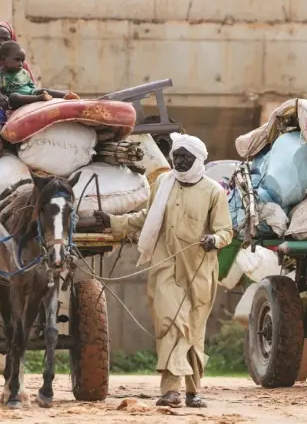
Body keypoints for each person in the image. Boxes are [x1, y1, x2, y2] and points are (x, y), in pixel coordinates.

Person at [93, 133, 232, 408]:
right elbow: (146, 217)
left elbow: (225, 230)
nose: (178, 162)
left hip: (199, 270)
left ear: (198, 159)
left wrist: (214, 240)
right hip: (165, 266)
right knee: (171, 324)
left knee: (193, 331)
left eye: (185, 158)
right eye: (176, 156)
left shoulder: (213, 191)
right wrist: (114, 222)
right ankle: (171, 391)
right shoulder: (163, 184)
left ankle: (193, 391)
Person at [0, 22, 78, 159]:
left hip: (16, 101)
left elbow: (31, 87)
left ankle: (67, 95)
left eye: (6, 39)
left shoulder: (21, 64)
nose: (1, 43)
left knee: (37, 95)